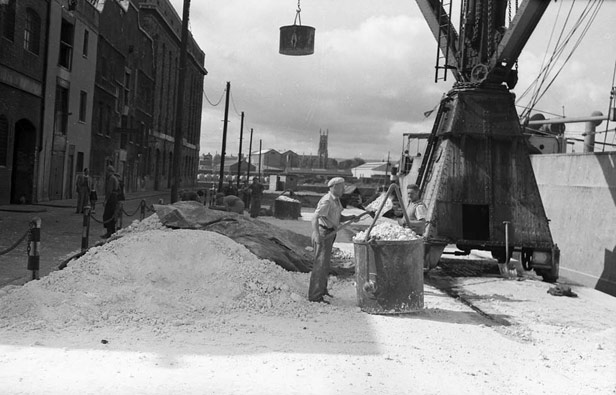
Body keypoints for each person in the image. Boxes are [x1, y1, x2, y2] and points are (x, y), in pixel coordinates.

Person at [309, 177, 358, 304]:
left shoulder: (336, 201)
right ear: (334, 187)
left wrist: (349, 218)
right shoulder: (327, 201)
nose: (343, 189)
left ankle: (322, 290)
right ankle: (315, 296)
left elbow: (337, 217)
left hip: (330, 233)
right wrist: (317, 234)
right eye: (341, 187)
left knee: (324, 265)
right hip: (323, 233)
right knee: (320, 265)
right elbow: (314, 217)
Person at [102, 165, 120, 239]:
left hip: (111, 198)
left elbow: (109, 190)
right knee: (112, 214)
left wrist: (106, 200)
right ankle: (112, 231)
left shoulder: (111, 178)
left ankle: (109, 232)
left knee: (107, 215)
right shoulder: (115, 178)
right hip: (115, 197)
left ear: (110, 171)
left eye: (107, 171)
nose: (107, 173)